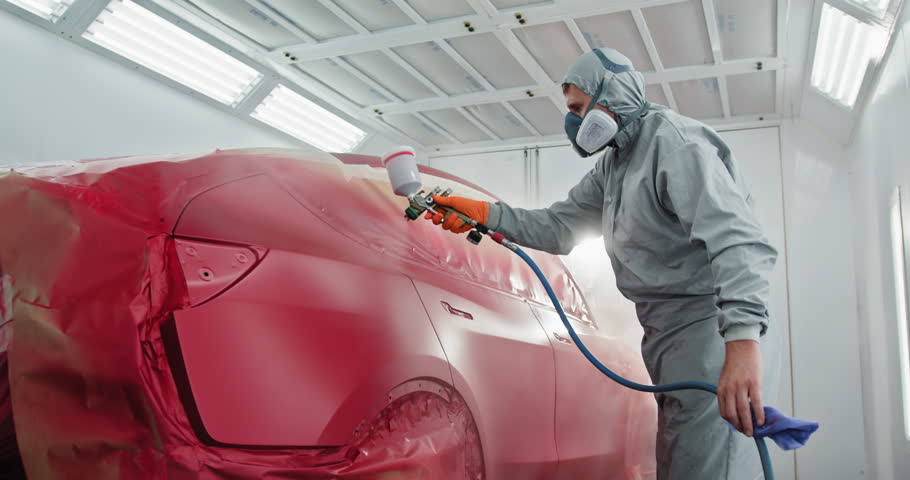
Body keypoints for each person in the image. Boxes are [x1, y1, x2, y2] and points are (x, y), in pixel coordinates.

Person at [424, 48, 778, 479]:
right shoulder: (614, 165)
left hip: (707, 334)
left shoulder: (675, 145)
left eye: (576, 107)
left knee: (701, 468)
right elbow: (558, 226)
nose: (572, 121)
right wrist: (484, 213)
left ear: (610, 97)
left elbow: (739, 241)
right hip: (665, 335)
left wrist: (742, 344)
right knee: (679, 462)